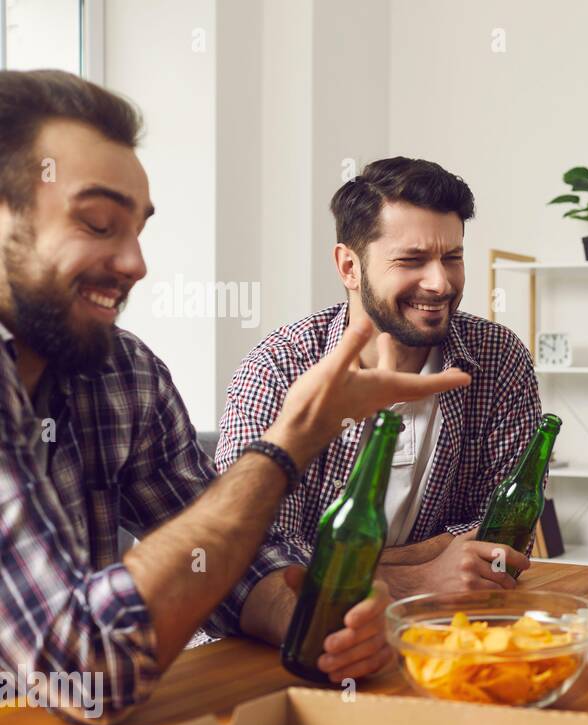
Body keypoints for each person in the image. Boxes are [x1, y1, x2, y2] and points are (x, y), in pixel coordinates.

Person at [0, 70, 468, 725]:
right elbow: (89, 674)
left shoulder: (124, 373)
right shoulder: (277, 361)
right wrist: (288, 445)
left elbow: (222, 562)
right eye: (99, 222)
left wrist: (313, 622)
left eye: (138, 230)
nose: (136, 262)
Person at [216, 158, 540, 599]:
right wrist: (419, 574)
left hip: (446, 626)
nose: (440, 283)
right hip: (279, 639)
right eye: (412, 260)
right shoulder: (278, 367)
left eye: (452, 258)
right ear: (349, 266)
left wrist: (341, 560)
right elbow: (248, 555)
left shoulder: (498, 357)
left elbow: (504, 535)